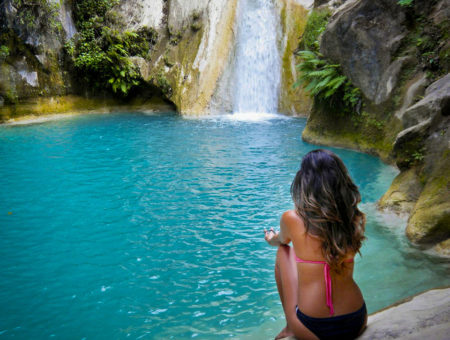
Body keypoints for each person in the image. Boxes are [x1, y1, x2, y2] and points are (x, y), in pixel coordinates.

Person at [264, 149, 367, 340]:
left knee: (283, 251)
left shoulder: (292, 218)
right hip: (357, 319)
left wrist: (272, 238)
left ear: (304, 182)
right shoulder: (353, 217)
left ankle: (289, 327)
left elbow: (282, 240)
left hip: (313, 328)